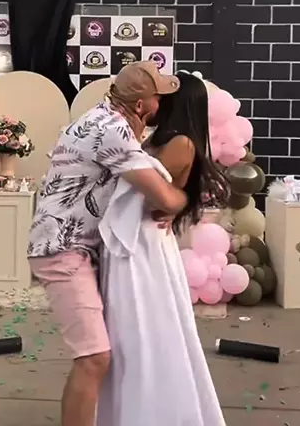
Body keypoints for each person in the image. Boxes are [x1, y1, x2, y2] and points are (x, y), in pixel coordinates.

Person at [27, 61, 189, 426]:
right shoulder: (112, 131)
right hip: (63, 251)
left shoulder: (99, 118)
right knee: (93, 358)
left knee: (100, 355)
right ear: (141, 105)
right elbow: (164, 196)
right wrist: (184, 200)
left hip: (73, 248)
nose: (162, 106)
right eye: (159, 98)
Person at [96, 71, 229, 426]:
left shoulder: (180, 143)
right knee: (128, 327)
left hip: (143, 244)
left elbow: (155, 196)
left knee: (145, 327)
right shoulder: (160, 138)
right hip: (136, 238)